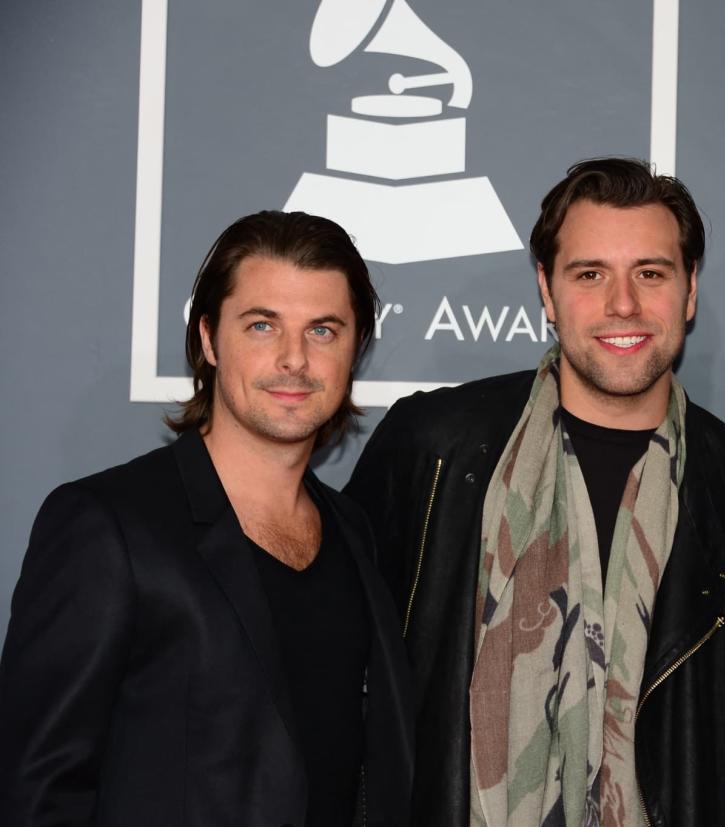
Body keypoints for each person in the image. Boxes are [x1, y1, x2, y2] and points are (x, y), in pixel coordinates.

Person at [346, 157, 725, 826]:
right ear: (546, 289)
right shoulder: (435, 448)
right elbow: (347, 664)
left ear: (688, 292)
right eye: (589, 274)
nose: (622, 304)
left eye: (650, 274)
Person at [0, 211, 415, 826]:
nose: (294, 359)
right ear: (209, 339)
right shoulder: (106, 526)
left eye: (323, 330)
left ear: (355, 347)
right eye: (262, 325)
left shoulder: (354, 531)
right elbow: (35, 790)